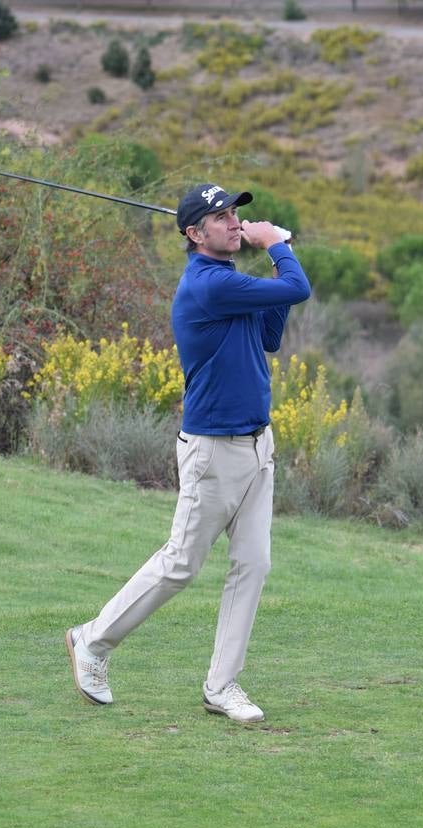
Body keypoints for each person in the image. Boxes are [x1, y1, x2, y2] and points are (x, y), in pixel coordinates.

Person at [64, 183, 311, 723]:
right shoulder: (207, 286)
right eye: (218, 217)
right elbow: (300, 287)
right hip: (212, 453)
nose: (231, 222)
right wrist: (278, 246)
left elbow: (271, 331)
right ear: (195, 234)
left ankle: (222, 686)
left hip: (256, 446)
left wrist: (274, 263)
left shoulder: (230, 283)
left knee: (254, 564)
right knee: (181, 564)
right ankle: (92, 641)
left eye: (234, 214)